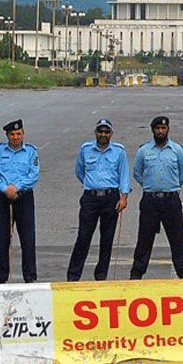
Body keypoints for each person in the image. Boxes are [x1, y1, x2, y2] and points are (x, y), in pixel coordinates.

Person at [67, 119, 131, 281]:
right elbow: (79, 171)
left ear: (111, 134)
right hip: (90, 199)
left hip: (111, 198)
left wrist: (124, 196)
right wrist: (91, 185)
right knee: (83, 237)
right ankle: (73, 276)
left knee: (107, 239)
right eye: (100, 131)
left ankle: (101, 275)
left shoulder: (119, 151)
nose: (103, 135)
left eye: (106, 132)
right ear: (95, 132)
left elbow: (124, 174)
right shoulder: (86, 149)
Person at [130, 116, 183, 279]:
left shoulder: (177, 150)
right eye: (157, 129)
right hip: (150, 200)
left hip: (171, 200)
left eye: (163, 128)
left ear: (168, 130)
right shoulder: (144, 151)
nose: (160, 131)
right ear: (152, 130)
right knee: (144, 239)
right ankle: (136, 274)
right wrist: (150, 186)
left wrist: (170, 187)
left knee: (177, 238)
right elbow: (137, 172)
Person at [0, 119, 39, 289]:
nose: (15, 137)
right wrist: (5, 188)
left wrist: (16, 187)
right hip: (4, 198)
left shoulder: (31, 152)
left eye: (18, 134)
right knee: (2, 238)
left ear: (23, 133)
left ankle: (30, 276)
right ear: (7, 136)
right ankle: (0, 275)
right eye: (12, 134)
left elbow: (33, 175)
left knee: (28, 238)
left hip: (24, 197)